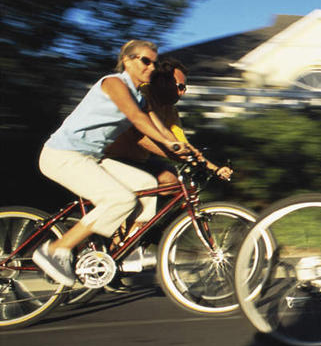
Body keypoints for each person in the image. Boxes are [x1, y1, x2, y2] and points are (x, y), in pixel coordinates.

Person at [33, 40, 191, 286]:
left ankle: (127, 251)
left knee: (147, 185)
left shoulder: (141, 97)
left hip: (91, 157)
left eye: (154, 63)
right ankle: (55, 250)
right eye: (145, 61)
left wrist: (193, 156)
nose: (151, 67)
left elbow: (160, 130)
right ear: (127, 61)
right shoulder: (114, 83)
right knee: (121, 200)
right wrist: (168, 145)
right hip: (63, 155)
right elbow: (137, 120)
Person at [104, 59, 233, 185]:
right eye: (180, 87)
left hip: (137, 160)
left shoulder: (170, 110)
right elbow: (139, 137)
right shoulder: (142, 94)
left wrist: (215, 169)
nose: (182, 93)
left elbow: (181, 143)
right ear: (163, 82)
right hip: (110, 157)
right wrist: (177, 156)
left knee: (172, 180)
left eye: (184, 89)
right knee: (148, 183)